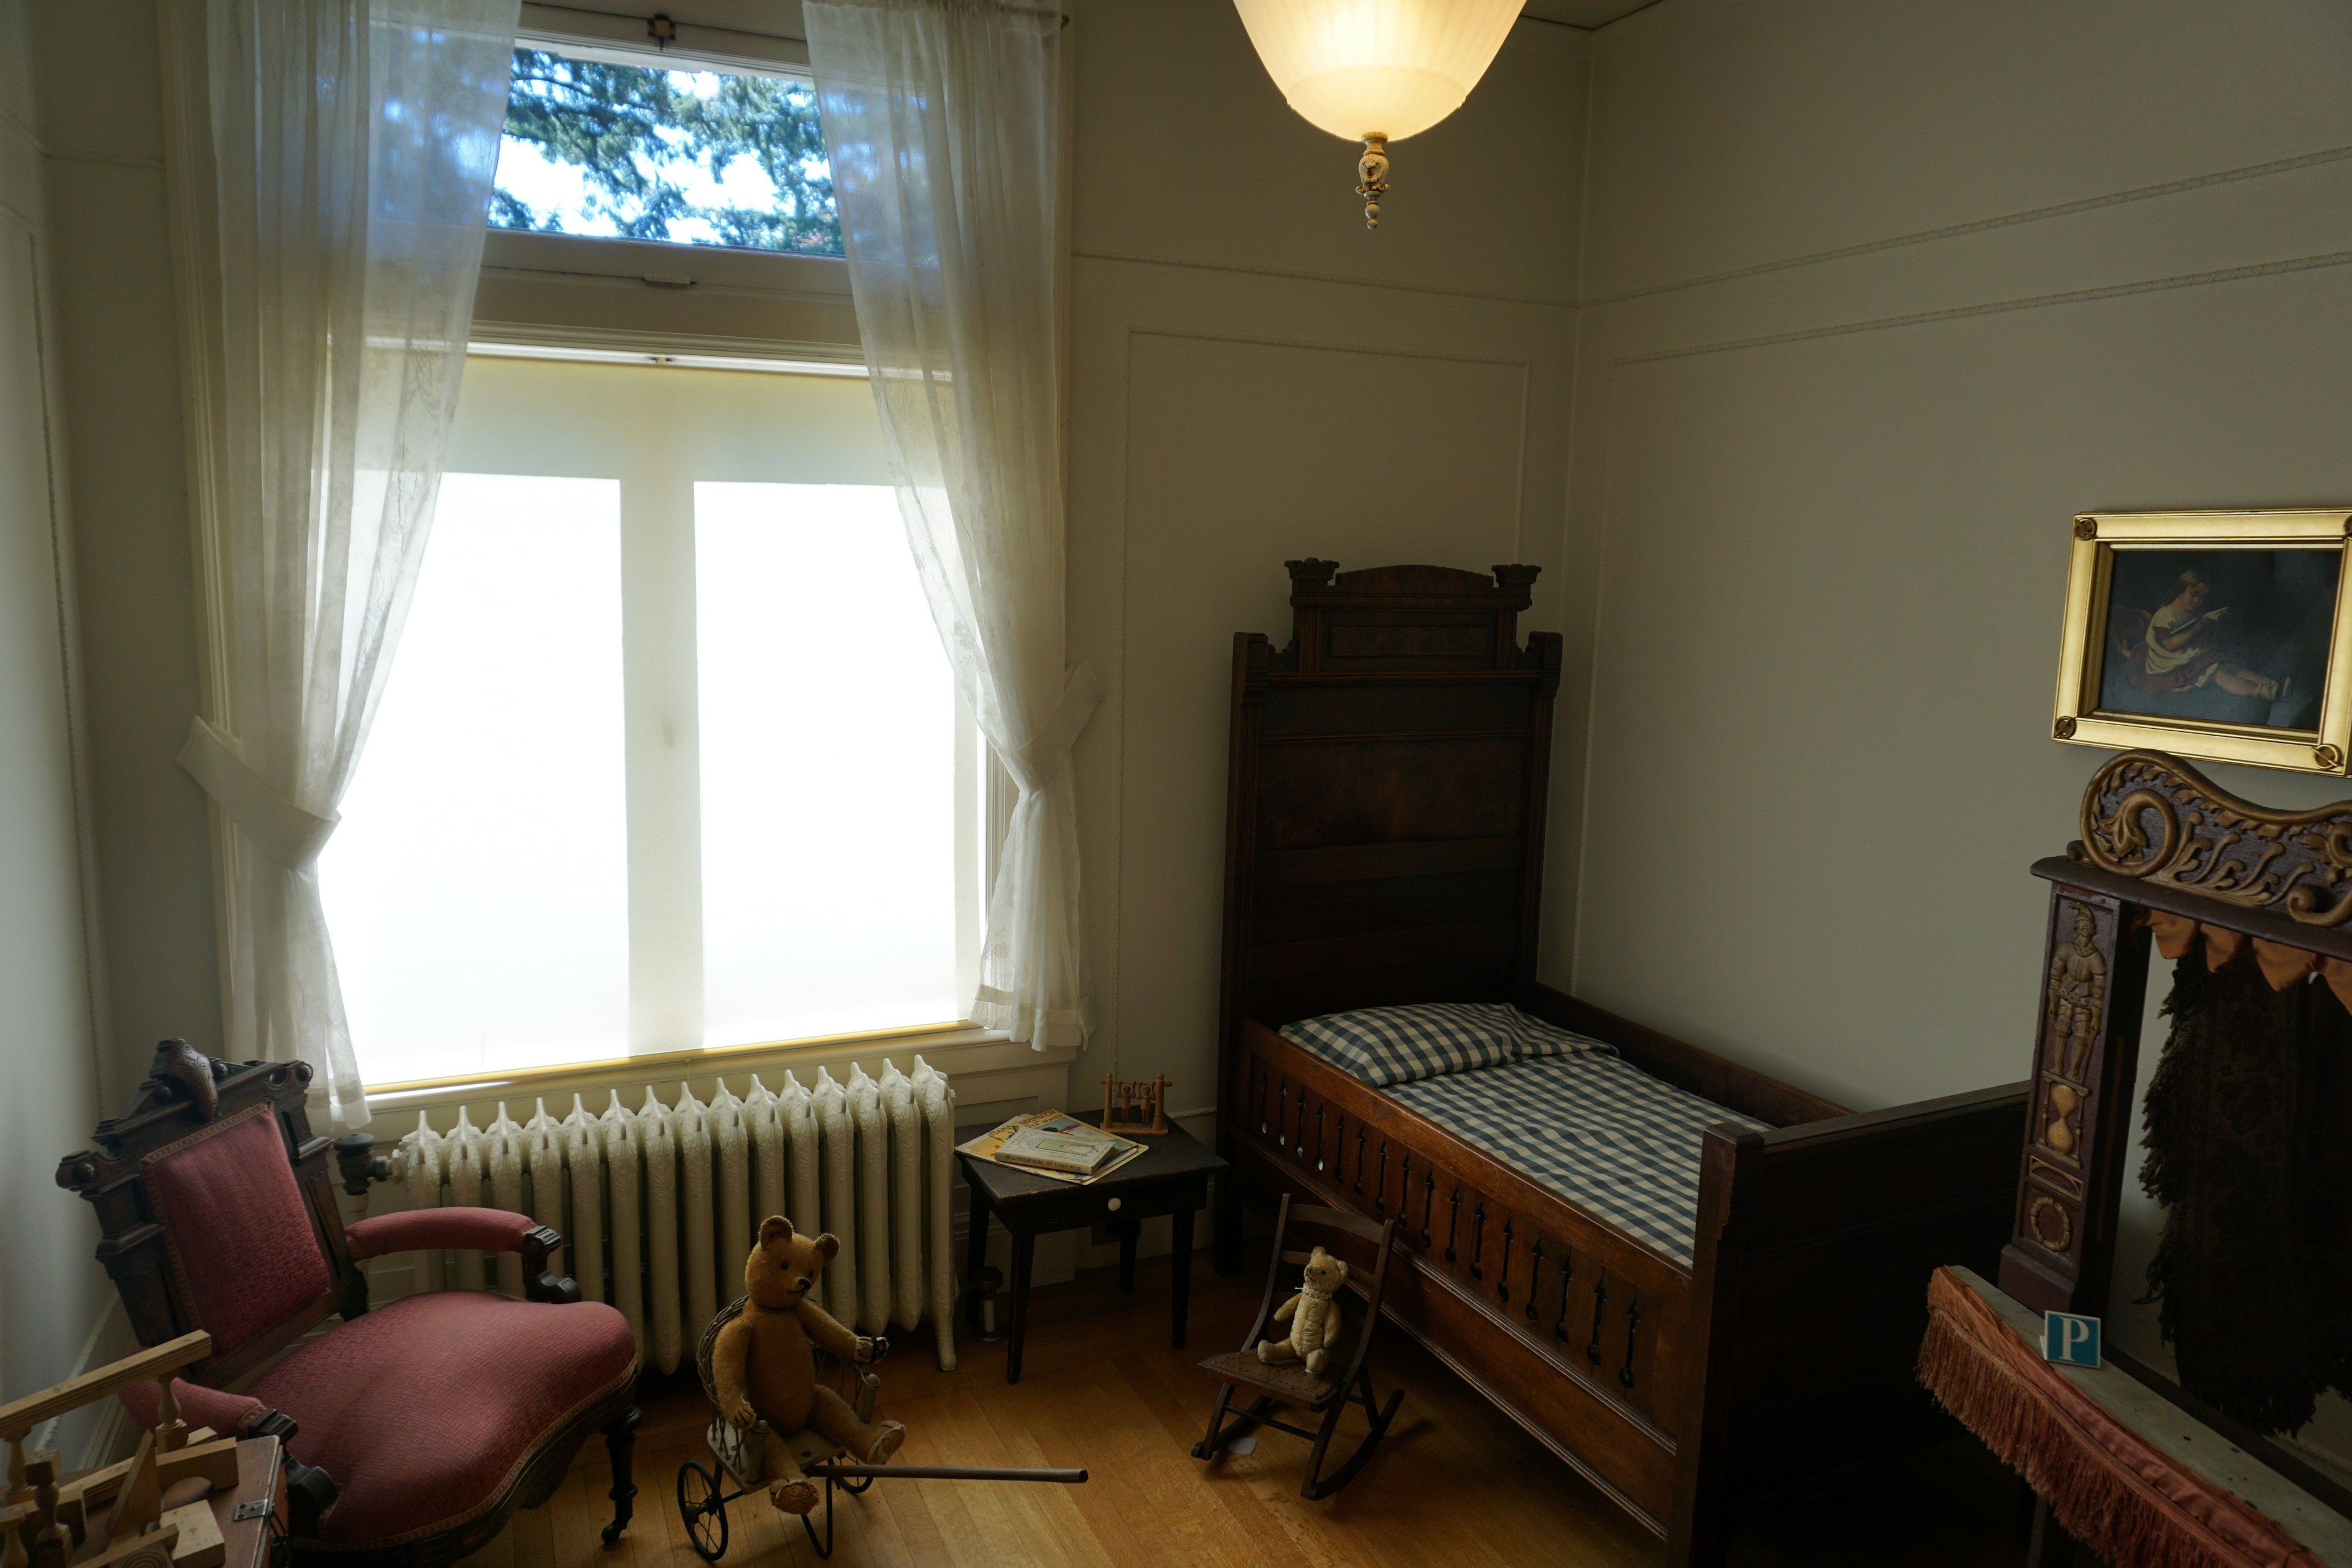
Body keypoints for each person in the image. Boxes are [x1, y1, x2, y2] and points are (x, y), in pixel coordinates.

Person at [2122, 570, 2283, 701]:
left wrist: (2211, 623)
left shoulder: (2191, 612)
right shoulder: (2165, 615)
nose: (2197, 601)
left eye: (2202, 597)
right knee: (2218, 673)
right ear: (2181, 590)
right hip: (2169, 662)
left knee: (2229, 666)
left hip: (2187, 654)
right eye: (2194, 594)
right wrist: (2196, 630)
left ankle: (2271, 684)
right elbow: (2169, 644)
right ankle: (2265, 692)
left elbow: (2195, 637)